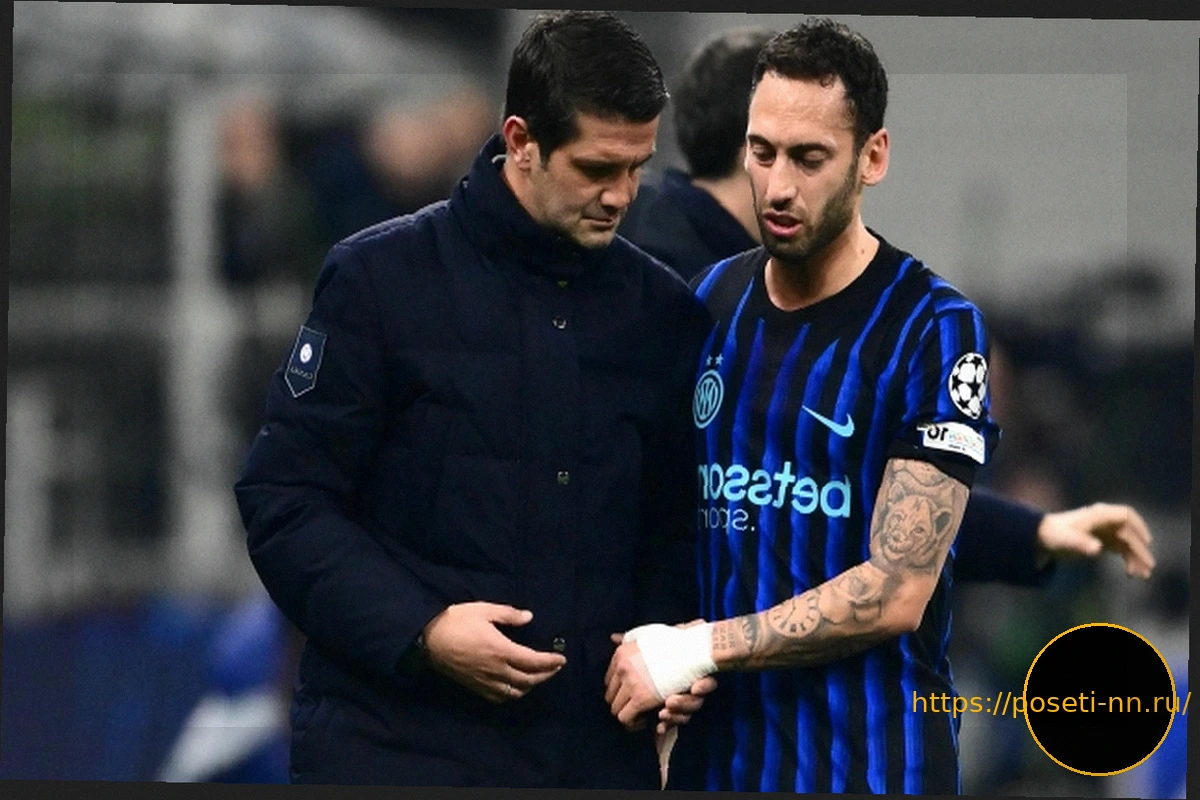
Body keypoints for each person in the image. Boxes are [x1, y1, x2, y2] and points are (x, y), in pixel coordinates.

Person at [235, 11, 713, 789]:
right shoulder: (378, 282)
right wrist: (422, 631)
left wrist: (671, 649)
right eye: (597, 168)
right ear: (521, 141)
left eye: (638, 168)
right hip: (393, 752)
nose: (621, 195)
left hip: (586, 762)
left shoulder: (663, 315)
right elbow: (283, 499)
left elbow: (676, 530)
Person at [603, 18, 1005, 793]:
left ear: (872, 157)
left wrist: (700, 648)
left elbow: (897, 589)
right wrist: (664, 659)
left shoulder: (934, 328)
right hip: (722, 768)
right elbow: (674, 521)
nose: (779, 186)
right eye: (762, 153)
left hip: (873, 768)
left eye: (809, 158)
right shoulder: (709, 301)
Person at [619, 26, 1155, 589]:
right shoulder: (690, 297)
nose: (782, 186)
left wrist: (1030, 533)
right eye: (775, 152)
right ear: (750, 145)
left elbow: (865, 496)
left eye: (809, 157)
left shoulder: (672, 258)